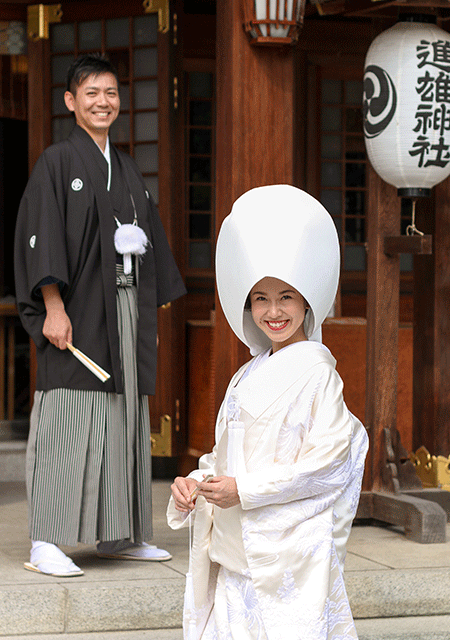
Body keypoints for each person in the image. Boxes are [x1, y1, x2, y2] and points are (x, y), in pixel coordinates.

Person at [168, 185, 369, 640]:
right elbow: (224, 456)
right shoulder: (247, 374)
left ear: (306, 302)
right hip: (236, 544)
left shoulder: (319, 375)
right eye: (260, 298)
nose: (273, 311)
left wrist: (248, 489)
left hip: (283, 550)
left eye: (286, 297)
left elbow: (330, 463)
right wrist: (194, 485)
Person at [14, 53, 186, 577]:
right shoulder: (57, 162)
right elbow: (39, 234)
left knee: (124, 420)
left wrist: (143, 306)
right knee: (69, 417)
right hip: (77, 309)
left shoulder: (128, 168)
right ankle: (46, 538)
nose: (103, 102)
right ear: (71, 102)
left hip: (124, 311)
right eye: (91, 93)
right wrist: (52, 306)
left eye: (110, 93)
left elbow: (148, 242)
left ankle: (119, 534)